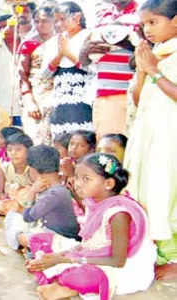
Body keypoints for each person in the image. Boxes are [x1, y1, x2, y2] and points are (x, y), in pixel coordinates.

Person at [27, 153, 156, 300]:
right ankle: (60, 282)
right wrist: (60, 255)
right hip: (93, 253)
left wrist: (65, 260)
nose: (77, 183)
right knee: (38, 239)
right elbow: (88, 244)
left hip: (124, 268)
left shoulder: (119, 214)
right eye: (76, 177)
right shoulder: (94, 202)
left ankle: (64, 285)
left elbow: (117, 261)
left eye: (85, 179)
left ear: (108, 184)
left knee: (80, 277)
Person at [126, 0, 177, 280]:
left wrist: (154, 70)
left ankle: (174, 258)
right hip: (148, 134)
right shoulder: (155, 52)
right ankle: (156, 252)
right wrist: (143, 69)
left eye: (153, 22)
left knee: (167, 193)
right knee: (147, 191)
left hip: (170, 137)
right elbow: (137, 99)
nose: (147, 30)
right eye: (144, 24)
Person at [78, 0, 139, 140]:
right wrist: (84, 52)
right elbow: (85, 61)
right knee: (106, 147)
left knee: (123, 147)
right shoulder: (102, 16)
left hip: (129, 93)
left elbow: (150, 51)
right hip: (102, 93)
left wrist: (121, 41)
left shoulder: (142, 13)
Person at [4, 145, 80, 252]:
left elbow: (28, 217)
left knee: (18, 232)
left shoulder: (54, 194)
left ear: (33, 170)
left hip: (61, 240)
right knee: (14, 217)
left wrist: (32, 192)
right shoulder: (55, 189)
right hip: (50, 233)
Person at [46, 2, 94, 138]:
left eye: (62, 19)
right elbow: (45, 75)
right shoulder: (55, 41)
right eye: (56, 20)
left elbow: (92, 70)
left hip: (83, 99)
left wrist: (68, 54)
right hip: (60, 99)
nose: (59, 24)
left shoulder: (90, 36)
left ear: (77, 18)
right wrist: (60, 54)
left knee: (82, 140)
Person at [18, 6, 56, 145]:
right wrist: (28, 99)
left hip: (58, 93)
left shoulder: (62, 41)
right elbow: (22, 74)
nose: (41, 25)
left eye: (45, 21)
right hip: (37, 94)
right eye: (37, 21)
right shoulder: (29, 44)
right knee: (36, 137)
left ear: (54, 21)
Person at [0, 133, 34, 215]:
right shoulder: (4, 168)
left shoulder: (32, 168)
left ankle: (24, 212)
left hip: (26, 203)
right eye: (10, 150)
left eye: (18, 149)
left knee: (25, 192)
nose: (13, 153)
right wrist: (6, 200)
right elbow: (0, 192)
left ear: (29, 151)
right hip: (9, 202)